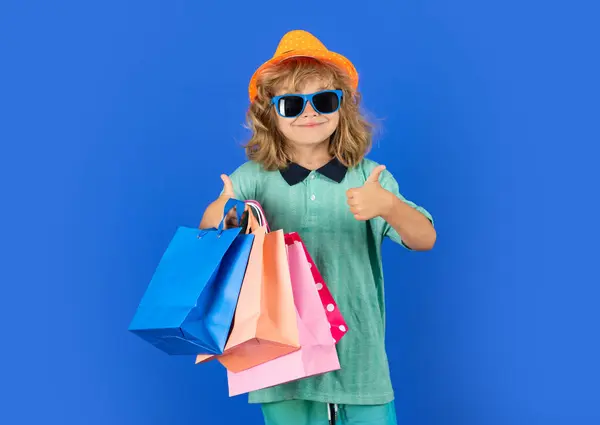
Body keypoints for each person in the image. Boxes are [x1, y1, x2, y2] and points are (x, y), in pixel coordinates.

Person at [199, 29, 436, 425]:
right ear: (269, 113)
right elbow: (209, 230)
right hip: (280, 362)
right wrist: (222, 214)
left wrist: (389, 206)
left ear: (342, 107)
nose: (309, 113)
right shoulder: (252, 179)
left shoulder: (369, 177)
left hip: (358, 362)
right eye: (292, 104)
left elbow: (424, 238)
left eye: (323, 100)